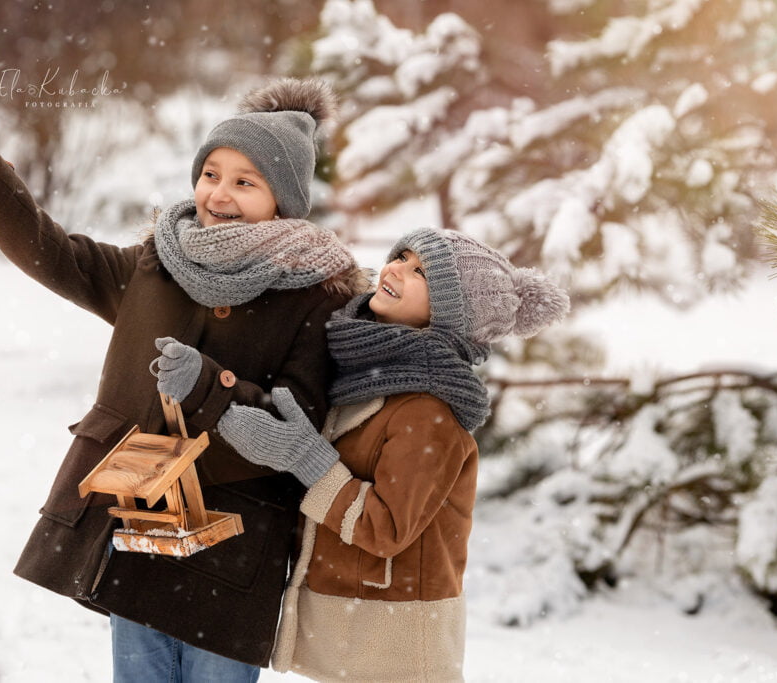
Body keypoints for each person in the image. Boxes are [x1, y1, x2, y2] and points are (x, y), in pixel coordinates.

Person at [0, 78, 367, 682]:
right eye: (212, 173)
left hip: (233, 541)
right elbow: (60, 255)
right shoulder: (159, 264)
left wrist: (210, 386)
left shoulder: (315, 296)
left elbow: (299, 422)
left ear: (284, 199)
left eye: (245, 181)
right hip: (141, 525)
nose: (219, 194)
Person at [217, 227, 570, 682]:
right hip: (352, 637)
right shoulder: (364, 380)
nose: (396, 268)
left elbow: (384, 528)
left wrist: (305, 457)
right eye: (401, 256)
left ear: (449, 314)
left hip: (393, 649)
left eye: (420, 271)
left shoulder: (428, 411)